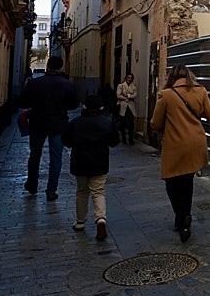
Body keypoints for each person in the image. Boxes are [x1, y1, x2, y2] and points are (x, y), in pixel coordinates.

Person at [149, 64, 210, 242]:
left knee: (171, 183)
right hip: (195, 143)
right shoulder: (200, 91)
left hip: (175, 145)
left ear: (172, 77)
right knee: (187, 181)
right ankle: (184, 217)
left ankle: (181, 215)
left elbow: (155, 123)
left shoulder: (166, 95)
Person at [19, 55, 79, 201]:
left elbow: (24, 103)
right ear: (61, 67)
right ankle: (51, 190)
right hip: (58, 124)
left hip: (37, 124)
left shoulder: (34, 83)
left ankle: (32, 184)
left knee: (35, 155)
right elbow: (73, 105)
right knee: (56, 157)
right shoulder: (68, 85)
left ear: (48, 66)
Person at [63, 94, 120, 240]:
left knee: (82, 191)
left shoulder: (75, 123)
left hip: (80, 163)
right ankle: (100, 219)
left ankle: (80, 221)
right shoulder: (106, 123)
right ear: (101, 108)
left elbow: (66, 141)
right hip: (99, 162)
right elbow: (114, 142)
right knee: (98, 191)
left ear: (84, 106)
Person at [115, 73, 137, 145]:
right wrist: (126, 98)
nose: (130, 79)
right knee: (123, 123)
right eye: (128, 77)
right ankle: (123, 137)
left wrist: (128, 96)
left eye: (131, 78)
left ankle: (130, 139)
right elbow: (118, 95)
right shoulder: (121, 85)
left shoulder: (134, 86)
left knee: (131, 123)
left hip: (131, 106)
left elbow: (135, 95)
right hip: (123, 106)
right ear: (126, 78)